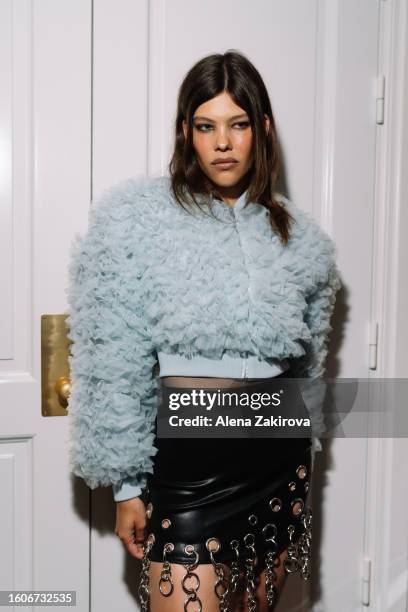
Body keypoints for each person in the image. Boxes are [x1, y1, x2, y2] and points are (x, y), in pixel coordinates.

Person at [66, 50, 342, 611]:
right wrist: (126, 487)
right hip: (188, 471)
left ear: (261, 130)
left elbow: (308, 367)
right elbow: (111, 356)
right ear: (185, 132)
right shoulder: (136, 221)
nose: (222, 143)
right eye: (206, 126)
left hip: (277, 464)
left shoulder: (303, 240)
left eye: (238, 125)